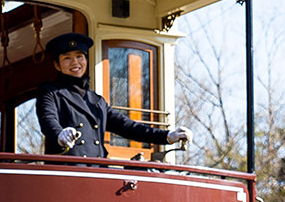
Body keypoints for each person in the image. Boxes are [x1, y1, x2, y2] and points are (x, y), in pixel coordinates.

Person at [36, 32, 191, 157]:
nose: (75, 62)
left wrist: (168, 136)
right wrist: (60, 135)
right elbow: (48, 120)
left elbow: (128, 127)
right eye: (67, 58)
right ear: (57, 65)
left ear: (85, 60)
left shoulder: (96, 101)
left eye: (79, 56)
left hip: (97, 172)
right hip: (66, 174)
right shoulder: (50, 92)